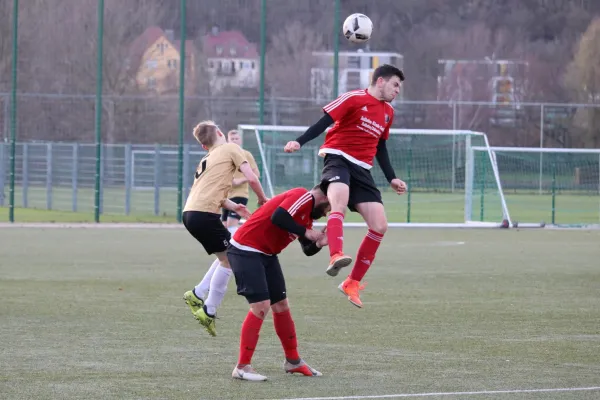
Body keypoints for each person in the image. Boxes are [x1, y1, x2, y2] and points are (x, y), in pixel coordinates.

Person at [283, 64, 407, 308]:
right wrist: (299, 142)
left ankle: (351, 282)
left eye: (400, 87)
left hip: (363, 169)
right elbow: (323, 122)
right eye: (395, 84)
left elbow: (380, 146)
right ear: (380, 81)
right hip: (338, 158)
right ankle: (335, 254)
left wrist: (391, 177)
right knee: (338, 200)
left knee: (380, 225)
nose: (398, 90)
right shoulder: (354, 98)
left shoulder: (388, 113)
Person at [227, 185, 330, 381]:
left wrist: (318, 242)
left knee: (281, 305)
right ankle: (242, 367)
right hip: (245, 250)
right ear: (324, 197)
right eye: (329, 207)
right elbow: (278, 217)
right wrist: (307, 232)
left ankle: (293, 362)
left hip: (267, 254)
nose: (327, 214)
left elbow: (307, 250)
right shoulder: (302, 196)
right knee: (261, 306)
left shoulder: (307, 216)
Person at [182, 120, 269, 337]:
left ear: (204, 146)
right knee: (231, 259)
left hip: (190, 213)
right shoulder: (231, 148)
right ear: (221, 133)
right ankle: (207, 309)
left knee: (227, 255)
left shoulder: (207, 158)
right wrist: (262, 199)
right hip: (203, 215)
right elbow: (252, 177)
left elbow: (208, 191)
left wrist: (233, 206)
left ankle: (198, 294)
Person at [221, 129, 260, 234]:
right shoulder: (225, 155)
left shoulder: (246, 154)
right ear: (228, 141)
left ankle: (243, 245)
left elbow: (256, 174)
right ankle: (228, 249)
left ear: (240, 140)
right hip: (225, 197)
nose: (234, 141)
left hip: (240, 195)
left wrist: (239, 181)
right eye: (232, 139)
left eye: (236, 138)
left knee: (231, 225)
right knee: (224, 226)